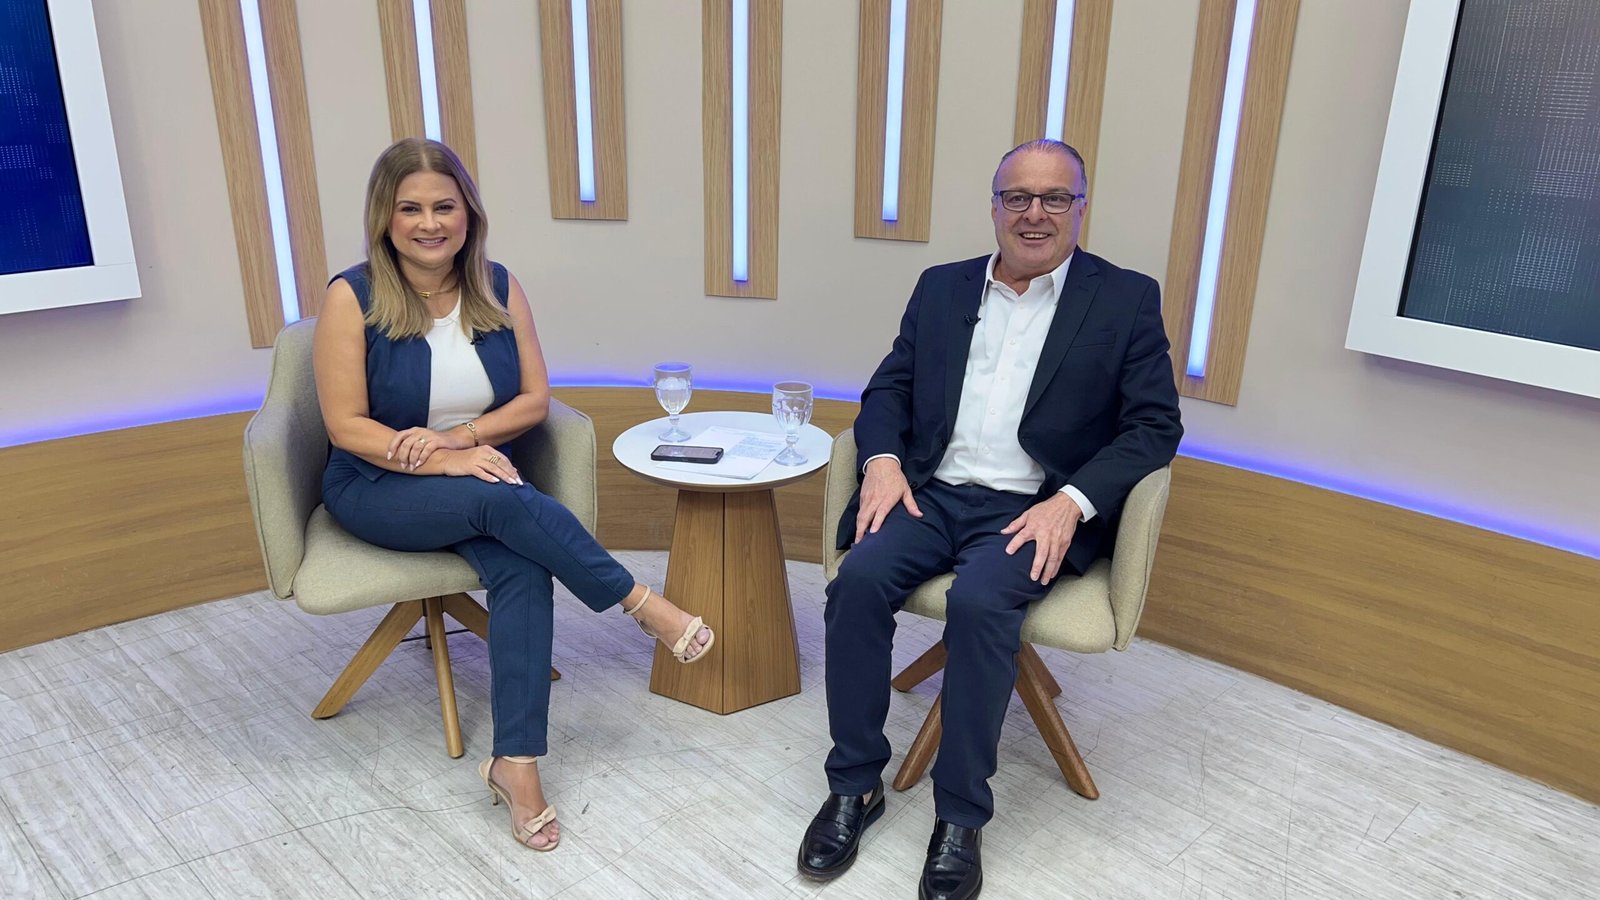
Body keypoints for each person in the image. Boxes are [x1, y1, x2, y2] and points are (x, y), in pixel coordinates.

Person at [796, 139, 1183, 900]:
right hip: (931, 494)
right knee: (858, 582)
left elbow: (1154, 426)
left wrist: (1071, 503)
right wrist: (882, 461)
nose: (1035, 213)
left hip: (1033, 507)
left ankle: (961, 817)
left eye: (1054, 197)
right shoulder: (942, 286)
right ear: (995, 206)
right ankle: (855, 785)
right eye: (1018, 197)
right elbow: (890, 389)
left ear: (1080, 207)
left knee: (979, 604)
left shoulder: (1125, 298)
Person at [313, 138, 714, 852]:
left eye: (444, 206)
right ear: (385, 218)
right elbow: (346, 427)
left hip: (473, 470)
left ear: (468, 213)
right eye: (410, 208)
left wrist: (459, 442)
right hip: (375, 483)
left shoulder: (497, 285)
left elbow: (533, 400)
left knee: (523, 566)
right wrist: (444, 463)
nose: (429, 223)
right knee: (502, 500)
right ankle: (641, 604)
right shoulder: (353, 296)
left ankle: (516, 764)